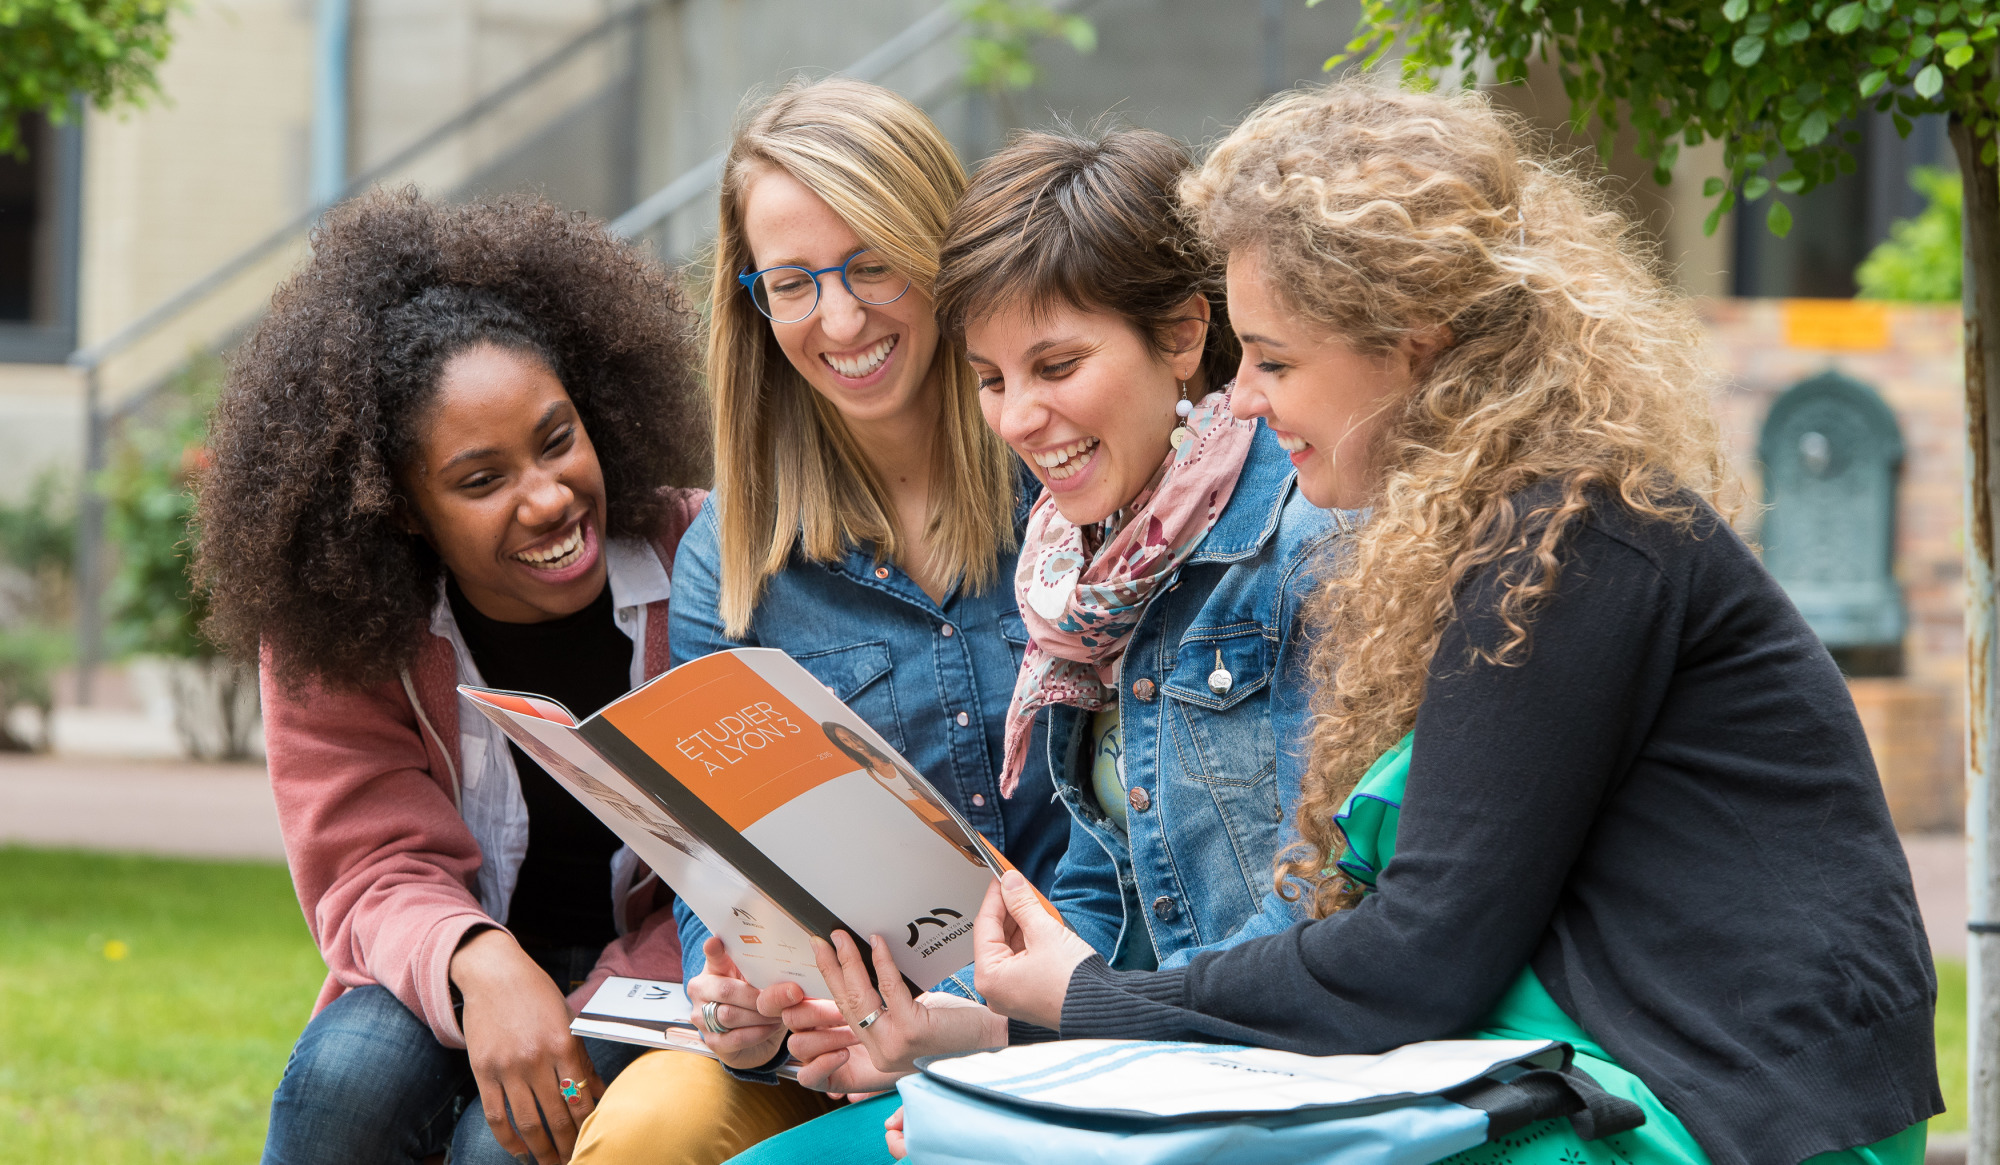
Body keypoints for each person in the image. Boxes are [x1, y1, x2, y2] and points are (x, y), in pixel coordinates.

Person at [970, 83, 1941, 1165]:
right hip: (1634, 1071)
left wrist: (1096, 1003)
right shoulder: (1498, 522)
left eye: (1275, 360)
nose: (1239, 399)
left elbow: (1417, 958)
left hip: (1729, 1115)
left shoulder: (1571, 536)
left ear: (1411, 345)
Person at [724, 124, 1349, 1163]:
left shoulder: (1297, 541)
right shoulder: (1083, 573)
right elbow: (1107, 879)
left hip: (1241, 1085)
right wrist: (961, 1026)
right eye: (989, 378)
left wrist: (1073, 1036)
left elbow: (1323, 901)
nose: (1017, 417)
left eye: (1054, 365)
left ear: (1185, 335)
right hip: (1117, 1060)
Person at [565, 77, 1070, 1165]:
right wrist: (742, 1005)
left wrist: (988, 1018)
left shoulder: (1063, 476)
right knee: (654, 1126)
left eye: (870, 265)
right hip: (841, 1047)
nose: (838, 322)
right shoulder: (736, 558)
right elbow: (721, 876)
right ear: (752, 301)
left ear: (939, 252)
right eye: (791, 284)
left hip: (1064, 1019)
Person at [196, 189, 710, 1165]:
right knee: (340, 1093)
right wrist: (479, 960)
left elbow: (738, 869)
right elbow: (364, 864)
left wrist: (575, 1003)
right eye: (482, 480)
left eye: (557, 439)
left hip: (663, 963)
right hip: (445, 952)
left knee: (501, 1144)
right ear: (398, 507)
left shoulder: (703, 560)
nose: (549, 497)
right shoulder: (341, 625)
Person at [823, 721, 987, 866]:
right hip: (946, 826)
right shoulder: (872, 773)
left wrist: (930, 799)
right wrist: (960, 850)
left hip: (963, 818)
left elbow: (941, 789)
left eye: (852, 736)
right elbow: (918, 812)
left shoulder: (892, 757)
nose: (852, 742)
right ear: (843, 745)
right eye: (845, 741)